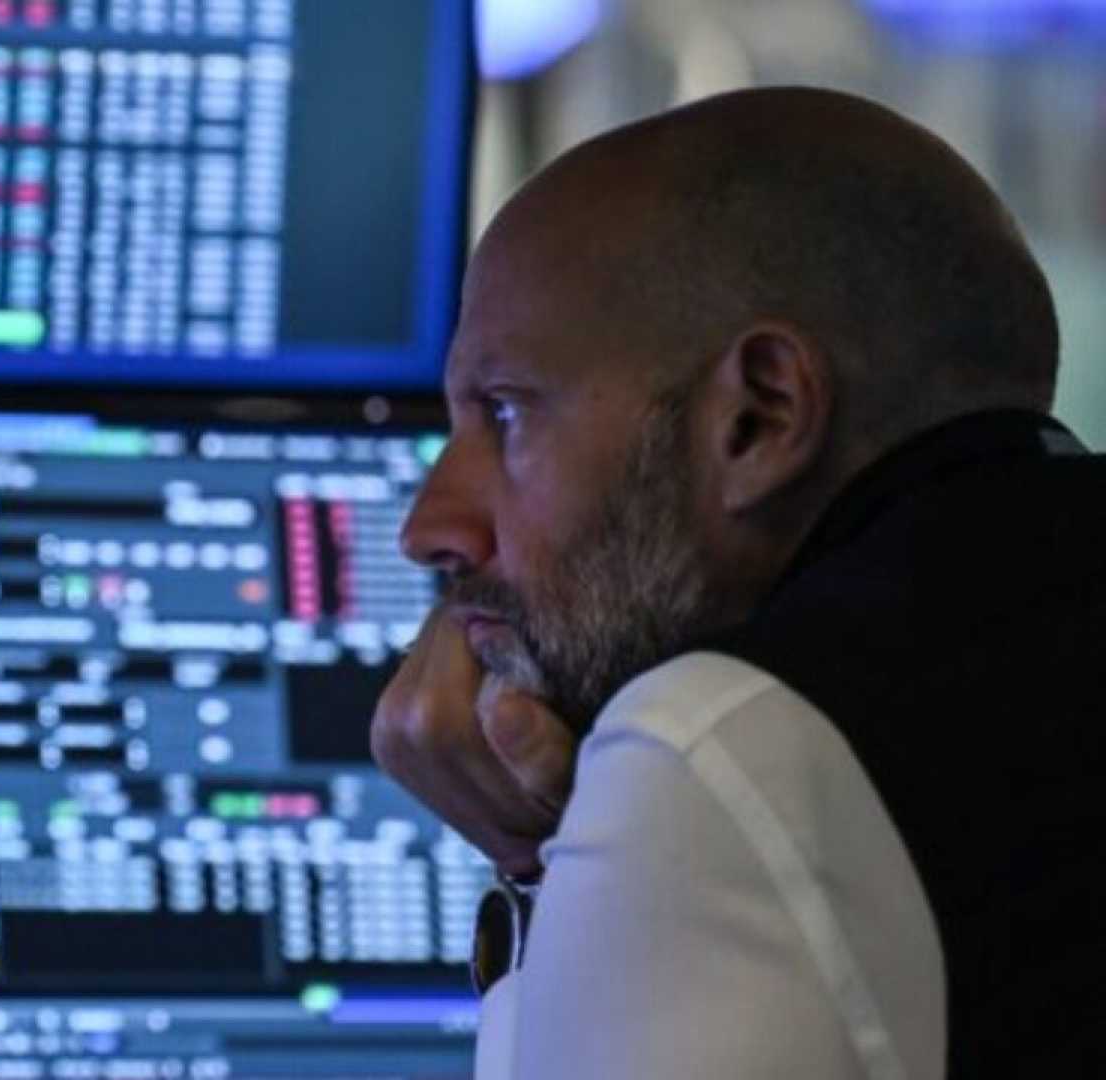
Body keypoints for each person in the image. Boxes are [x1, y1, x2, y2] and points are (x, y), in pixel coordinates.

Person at [371, 85, 1105, 1077]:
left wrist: (545, 875)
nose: (430, 529)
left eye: (505, 413)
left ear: (763, 413)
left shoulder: (726, 743)